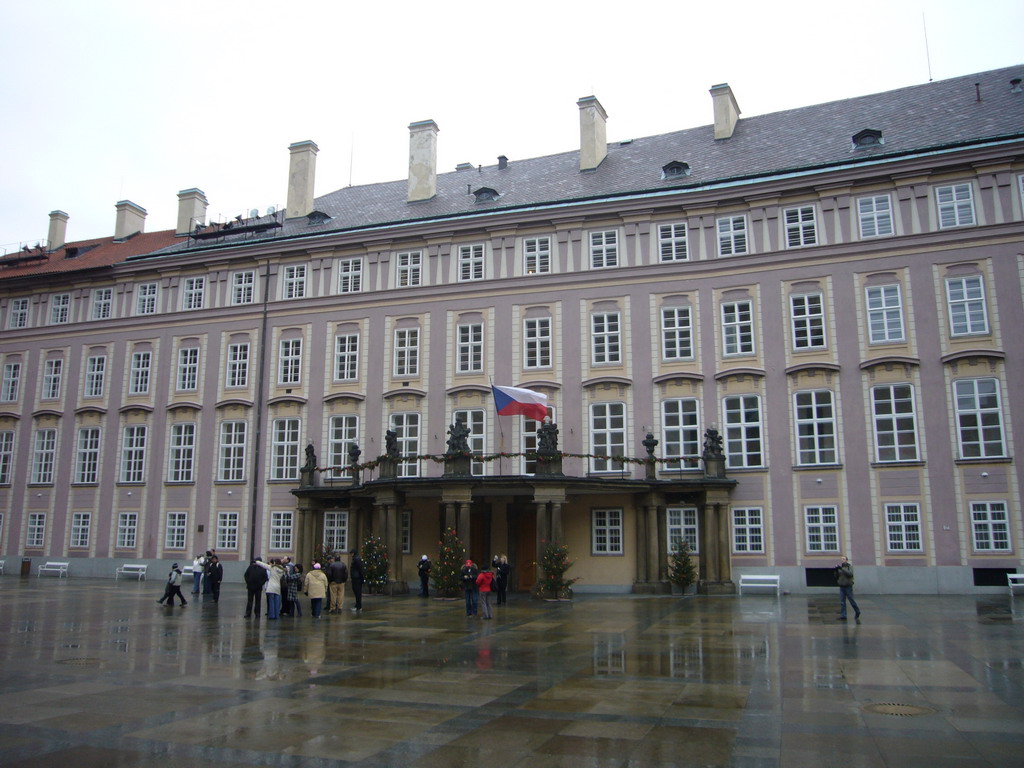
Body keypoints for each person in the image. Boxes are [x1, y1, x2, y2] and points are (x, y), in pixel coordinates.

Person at [835, 555, 861, 621]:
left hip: (848, 586)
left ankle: (857, 611)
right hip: (842, 586)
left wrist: (842, 569)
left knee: (851, 600)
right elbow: (837, 576)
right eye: (841, 559)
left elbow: (850, 574)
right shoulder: (841, 568)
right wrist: (836, 570)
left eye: (844, 559)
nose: (842, 560)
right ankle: (843, 615)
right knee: (842, 602)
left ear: (846, 560)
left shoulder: (849, 567)